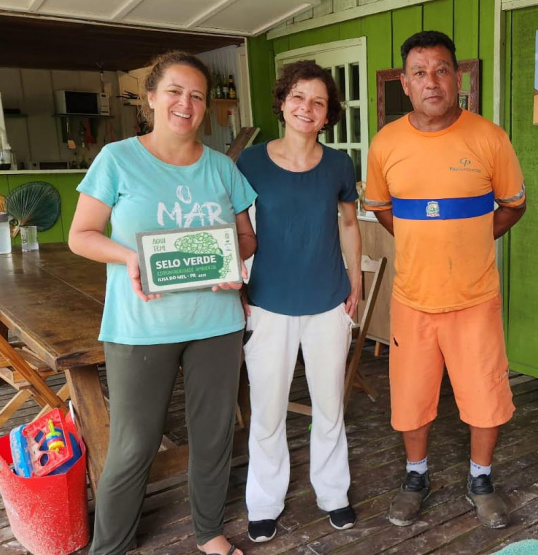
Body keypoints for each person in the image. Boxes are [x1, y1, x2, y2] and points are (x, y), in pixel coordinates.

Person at [69, 51, 256, 555]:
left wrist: (230, 261)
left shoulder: (222, 168)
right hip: (140, 325)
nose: (185, 103)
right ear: (151, 98)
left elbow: (246, 237)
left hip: (216, 321)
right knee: (134, 444)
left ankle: (209, 532)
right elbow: (81, 235)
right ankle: (110, 547)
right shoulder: (117, 159)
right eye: (174, 91)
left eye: (197, 95)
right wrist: (128, 257)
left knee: (214, 435)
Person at [365, 30, 526, 529]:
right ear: (405, 84)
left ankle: (481, 480)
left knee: (485, 396)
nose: (431, 81)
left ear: (457, 78)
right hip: (412, 299)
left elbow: (513, 206)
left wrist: (472, 237)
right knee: (411, 397)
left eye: (441, 70)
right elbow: (383, 209)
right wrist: (422, 237)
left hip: (474, 298)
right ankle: (416, 476)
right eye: (419, 72)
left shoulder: (489, 137)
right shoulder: (386, 143)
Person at [237, 60, 361, 541]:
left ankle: (334, 493)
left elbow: (348, 224)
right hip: (268, 302)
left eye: (318, 102)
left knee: (330, 407)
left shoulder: (339, 165)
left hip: (328, 301)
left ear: (328, 114)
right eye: (298, 97)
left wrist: (356, 281)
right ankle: (264, 501)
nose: (306, 108)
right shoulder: (249, 162)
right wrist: (238, 283)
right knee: (267, 410)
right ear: (283, 102)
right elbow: (236, 229)